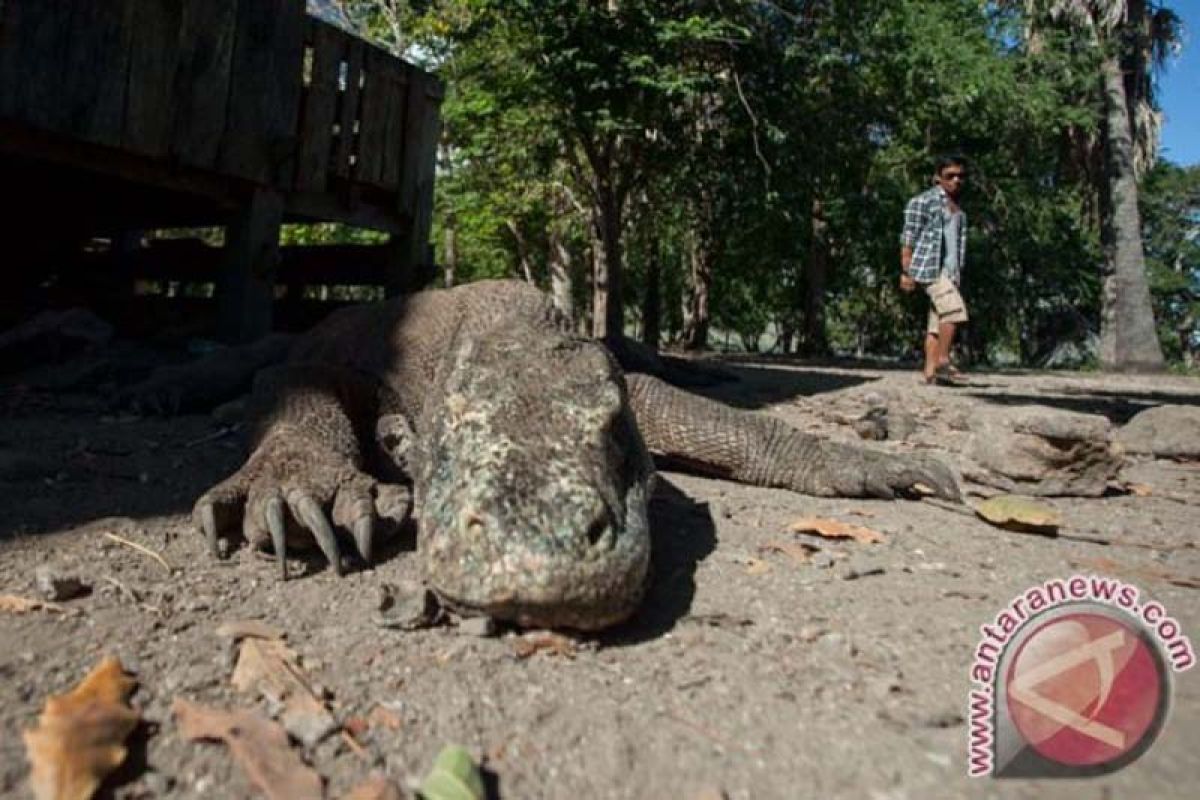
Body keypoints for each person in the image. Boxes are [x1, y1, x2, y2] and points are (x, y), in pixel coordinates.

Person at [899, 156, 969, 384]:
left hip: (950, 272)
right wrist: (906, 271)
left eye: (961, 176)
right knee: (954, 311)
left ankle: (930, 373)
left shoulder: (959, 209)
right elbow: (908, 238)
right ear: (938, 178)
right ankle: (943, 360)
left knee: (936, 323)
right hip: (930, 268)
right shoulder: (923, 202)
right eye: (950, 176)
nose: (956, 180)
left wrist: (957, 272)